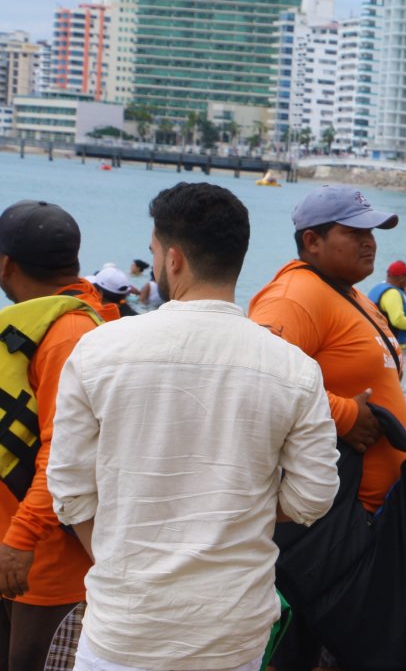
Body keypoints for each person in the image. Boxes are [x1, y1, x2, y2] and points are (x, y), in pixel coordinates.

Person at [45, 182, 339, 671]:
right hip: (232, 633)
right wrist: (235, 506)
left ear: (173, 259)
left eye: (154, 253)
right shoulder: (294, 369)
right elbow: (313, 498)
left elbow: (70, 491)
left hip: (123, 628)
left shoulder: (99, 352)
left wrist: (122, 560)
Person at [248, 184, 406, 668]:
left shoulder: (351, 294)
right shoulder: (293, 297)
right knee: (303, 648)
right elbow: (255, 381)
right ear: (312, 241)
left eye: (373, 231)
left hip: (369, 518)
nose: (370, 241)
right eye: (354, 232)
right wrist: (344, 415)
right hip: (326, 523)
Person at [0, 201, 119, 670]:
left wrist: (21, 540)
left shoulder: (67, 333)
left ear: (6, 264)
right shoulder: (68, 319)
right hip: (23, 553)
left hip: (45, 566)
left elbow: (64, 452)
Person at [367, 260, 406, 349]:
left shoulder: (378, 288)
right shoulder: (393, 293)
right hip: (389, 346)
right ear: (402, 278)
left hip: (376, 342)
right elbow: (397, 320)